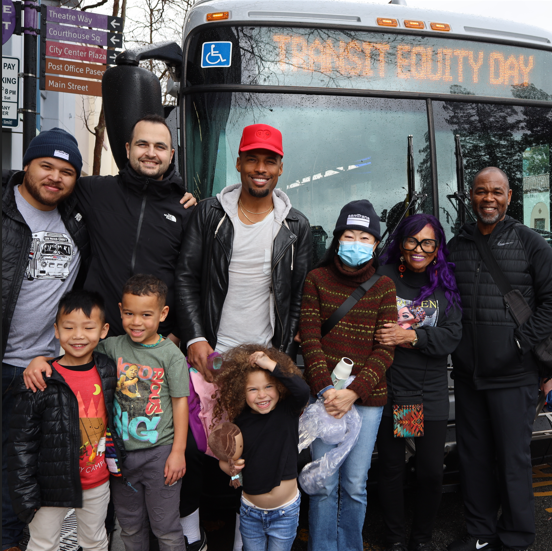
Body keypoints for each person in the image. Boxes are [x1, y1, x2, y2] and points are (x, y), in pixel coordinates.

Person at [175, 123, 312, 549]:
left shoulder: (296, 225)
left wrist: (282, 357)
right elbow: (185, 276)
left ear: (280, 167)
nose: (260, 167)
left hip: (261, 361)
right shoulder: (210, 214)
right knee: (200, 447)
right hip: (212, 354)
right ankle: (192, 536)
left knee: (252, 446)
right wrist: (196, 337)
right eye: (252, 158)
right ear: (238, 163)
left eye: (269, 160)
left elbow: (296, 299)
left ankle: (243, 537)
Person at [27, 274, 190, 551]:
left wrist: (178, 451)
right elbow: (76, 352)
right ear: (119, 311)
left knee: (165, 526)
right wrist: (40, 360)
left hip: (159, 453)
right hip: (120, 457)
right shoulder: (111, 347)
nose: (136, 321)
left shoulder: (170, 354)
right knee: (129, 525)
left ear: (163, 314)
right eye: (129, 313)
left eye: (146, 314)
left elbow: (180, 402)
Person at [446, 167, 552, 551]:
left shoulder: (531, 243)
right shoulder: (456, 244)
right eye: (480, 192)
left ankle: (517, 537)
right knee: (473, 459)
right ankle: (480, 534)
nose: (488, 198)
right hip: (468, 375)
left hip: (514, 375)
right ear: (470, 197)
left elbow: (550, 302)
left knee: (512, 460)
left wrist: (521, 344)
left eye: (496, 192)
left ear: (509, 196)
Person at [2, 127, 88, 551]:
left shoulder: (76, 218)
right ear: (27, 165)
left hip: (41, 368)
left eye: (67, 171)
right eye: (46, 166)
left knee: (23, 471)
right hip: (3, 360)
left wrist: (176, 192)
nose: (55, 177)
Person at [299, 199, 397, 551]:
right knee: (325, 482)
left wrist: (353, 392)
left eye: (366, 237)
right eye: (351, 235)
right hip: (325, 397)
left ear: (375, 244)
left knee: (355, 482)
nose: (357, 243)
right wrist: (327, 390)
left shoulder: (384, 286)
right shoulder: (316, 279)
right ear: (338, 238)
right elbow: (309, 338)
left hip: (367, 401)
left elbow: (385, 348)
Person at [7, 289, 124, 551]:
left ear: (103, 331)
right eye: (69, 328)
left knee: (95, 541)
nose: (78, 335)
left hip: (96, 481)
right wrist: (25, 492)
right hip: (50, 485)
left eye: (88, 327)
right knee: (42, 544)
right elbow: (21, 443)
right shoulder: (40, 379)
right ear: (56, 331)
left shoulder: (108, 369)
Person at [374, 214, 463, 551]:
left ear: (437, 247)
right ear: (401, 243)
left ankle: (422, 539)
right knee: (393, 470)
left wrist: (409, 336)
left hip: (430, 392)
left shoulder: (444, 281)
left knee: (429, 472)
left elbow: (452, 334)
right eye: (412, 240)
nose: (418, 249)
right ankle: (396, 538)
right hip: (397, 390)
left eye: (427, 242)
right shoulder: (383, 278)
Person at [211, 345, 310, 551]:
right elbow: (225, 459)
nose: (262, 395)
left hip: (285, 513)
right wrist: (230, 468)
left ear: (280, 387)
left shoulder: (288, 410)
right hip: (250, 512)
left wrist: (270, 364)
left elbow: (302, 390)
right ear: (241, 392)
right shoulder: (239, 420)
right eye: (252, 389)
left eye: (269, 386)